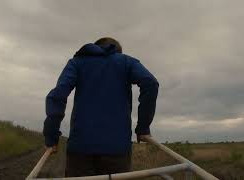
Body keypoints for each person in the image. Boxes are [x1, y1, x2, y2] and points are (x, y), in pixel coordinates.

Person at [43, 37, 159, 177]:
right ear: (117, 51)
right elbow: (150, 83)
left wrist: (51, 136)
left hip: (80, 150)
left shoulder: (77, 63)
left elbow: (57, 96)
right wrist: (143, 128)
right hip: (117, 152)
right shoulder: (126, 62)